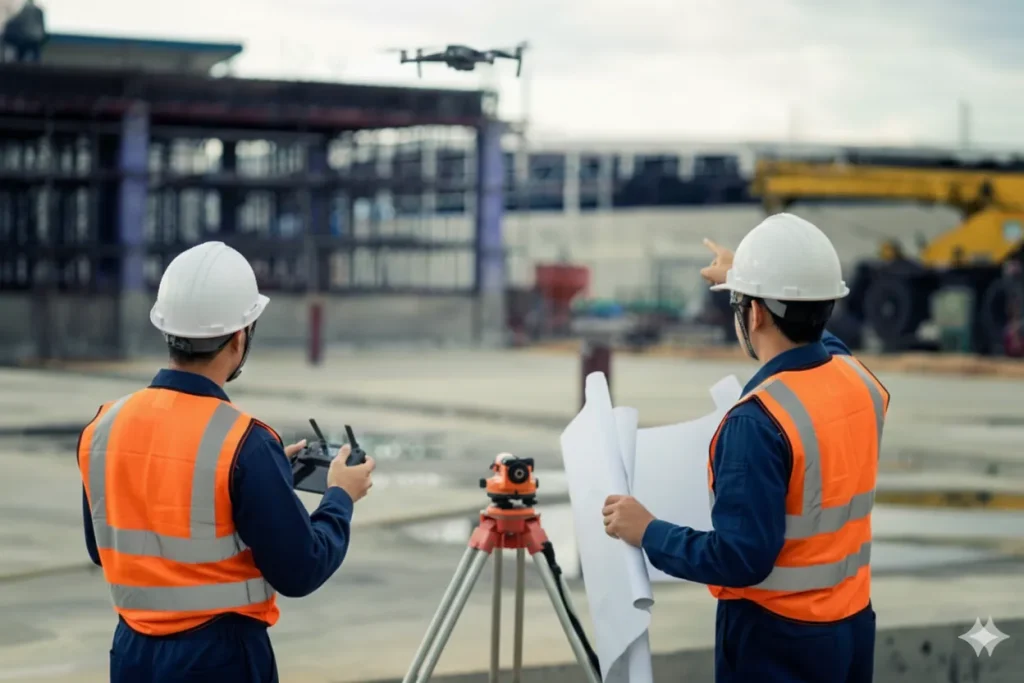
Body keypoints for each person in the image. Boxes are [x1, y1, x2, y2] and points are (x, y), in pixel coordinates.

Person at [602, 213, 889, 683]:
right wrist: (747, 275)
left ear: (753, 314)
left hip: (778, 644)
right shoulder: (856, 379)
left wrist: (648, 531)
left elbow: (741, 558)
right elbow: (818, 334)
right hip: (851, 625)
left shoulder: (757, 422)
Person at [76, 241, 376, 683]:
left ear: (167, 330)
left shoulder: (103, 426)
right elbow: (301, 569)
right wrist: (340, 497)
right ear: (240, 337)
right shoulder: (246, 444)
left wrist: (265, 481)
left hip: (132, 654)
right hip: (218, 660)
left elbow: (103, 546)